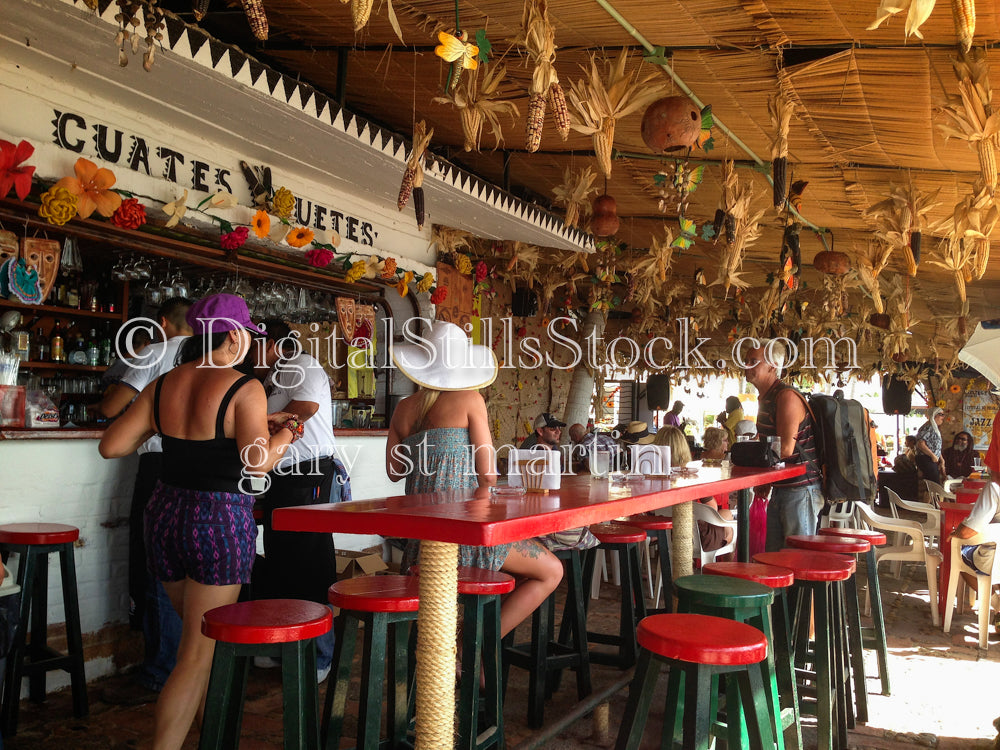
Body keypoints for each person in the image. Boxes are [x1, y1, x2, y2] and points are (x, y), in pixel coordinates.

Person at [99, 294, 298, 750]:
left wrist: (164, 427)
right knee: (195, 652)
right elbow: (258, 463)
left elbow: (111, 445)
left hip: (165, 514)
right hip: (217, 521)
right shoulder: (244, 386)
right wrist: (288, 430)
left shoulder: (165, 383)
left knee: (202, 647)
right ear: (234, 335)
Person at [386, 321, 562, 638]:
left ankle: (464, 642)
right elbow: (488, 474)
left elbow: (394, 471)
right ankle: (475, 646)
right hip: (467, 536)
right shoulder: (470, 400)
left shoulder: (403, 409)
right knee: (551, 571)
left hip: (421, 541)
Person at [97, 297, 193, 699]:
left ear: (162, 323)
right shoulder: (208, 360)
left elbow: (110, 407)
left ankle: (159, 673)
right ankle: (184, 666)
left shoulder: (154, 351)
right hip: (198, 466)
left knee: (157, 567)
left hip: (158, 467)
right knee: (188, 567)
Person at [252, 319, 341, 683]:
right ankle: (281, 644)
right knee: (279, 560)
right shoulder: (270, 378)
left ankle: (321, 655)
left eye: (253, 344)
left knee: (310, 559)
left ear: (272, 343)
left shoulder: (301, 365)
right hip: (279, 475)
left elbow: (304, 407)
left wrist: (268, 419)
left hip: (308, 474)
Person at [744, 339, 824, 551]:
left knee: (798, 557)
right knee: (775, 558)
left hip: (801, 488)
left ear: (772, 366)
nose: (746, 365)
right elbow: (770, 447)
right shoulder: (766, 398)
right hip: (783, 488)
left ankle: (804, 586)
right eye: (746, 360)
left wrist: (751, 458)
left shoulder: (786, 396)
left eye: (753, 361)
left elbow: (785, 449)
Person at [655, 426, 734, 554]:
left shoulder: (650, 474)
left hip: (662, 534)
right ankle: (722, 567)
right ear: (683, 447)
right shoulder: (691, 475)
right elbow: (712, 507)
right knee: (727, 516)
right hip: (695, 537)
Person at [915, 407, 947, 483]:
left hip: (931, 458)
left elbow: (935, 446)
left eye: (944, 415)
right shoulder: (928, 427)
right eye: (941, 415)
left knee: (935, 483)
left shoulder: (934, 428)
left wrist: (941, 459)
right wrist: (933, 456)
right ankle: (931, 495)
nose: (943, 417)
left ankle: (931, 495)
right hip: (926, 458)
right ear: (934, 415)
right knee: (934, 484)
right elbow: (920, 444)